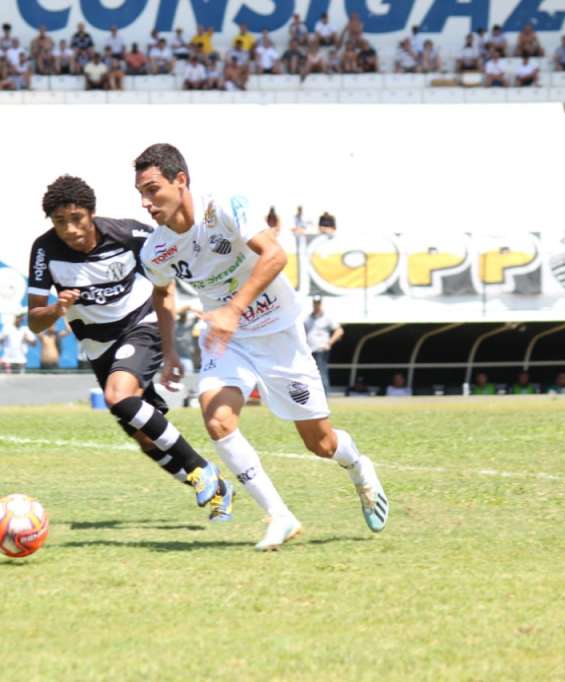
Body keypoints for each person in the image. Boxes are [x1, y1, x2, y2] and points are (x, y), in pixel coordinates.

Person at [134, 143, 388, 550]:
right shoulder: (155, 249)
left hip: (277, 332)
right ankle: (280, 516)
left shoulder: (225, 208)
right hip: (226, 338)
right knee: (217, 420)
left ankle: (359, 466)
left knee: (321, 443)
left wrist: (233, 310)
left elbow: (274, 255)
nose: (146, 203)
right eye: (141, 194)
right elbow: (162, 293)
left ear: (181, 180)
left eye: (152, 190)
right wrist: (170, 351)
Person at [27, 175, 233, 519]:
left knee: (118, 395)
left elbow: (172, 263)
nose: (70, 229)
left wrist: (188, 323)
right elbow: (34, 321)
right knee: (144, 437)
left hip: (141, 325)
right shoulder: (44, 250)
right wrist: (56, 309)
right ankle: (219, 490)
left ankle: (201, 468)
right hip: (97, 346)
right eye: (60, 222)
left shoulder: (129, 234)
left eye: (77, 218)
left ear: (92, 214)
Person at [304, 296, 342, 393]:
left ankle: (325, 395)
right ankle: (313, 394)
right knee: (310, 373)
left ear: (321, 304)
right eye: (315, 303)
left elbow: (339, 331)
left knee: (322, 372)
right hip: (310, 350)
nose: (316, 305)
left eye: (318, 303)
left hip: (321, 349)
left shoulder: (327, 317)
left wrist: (330, 342)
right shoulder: (307, 318)